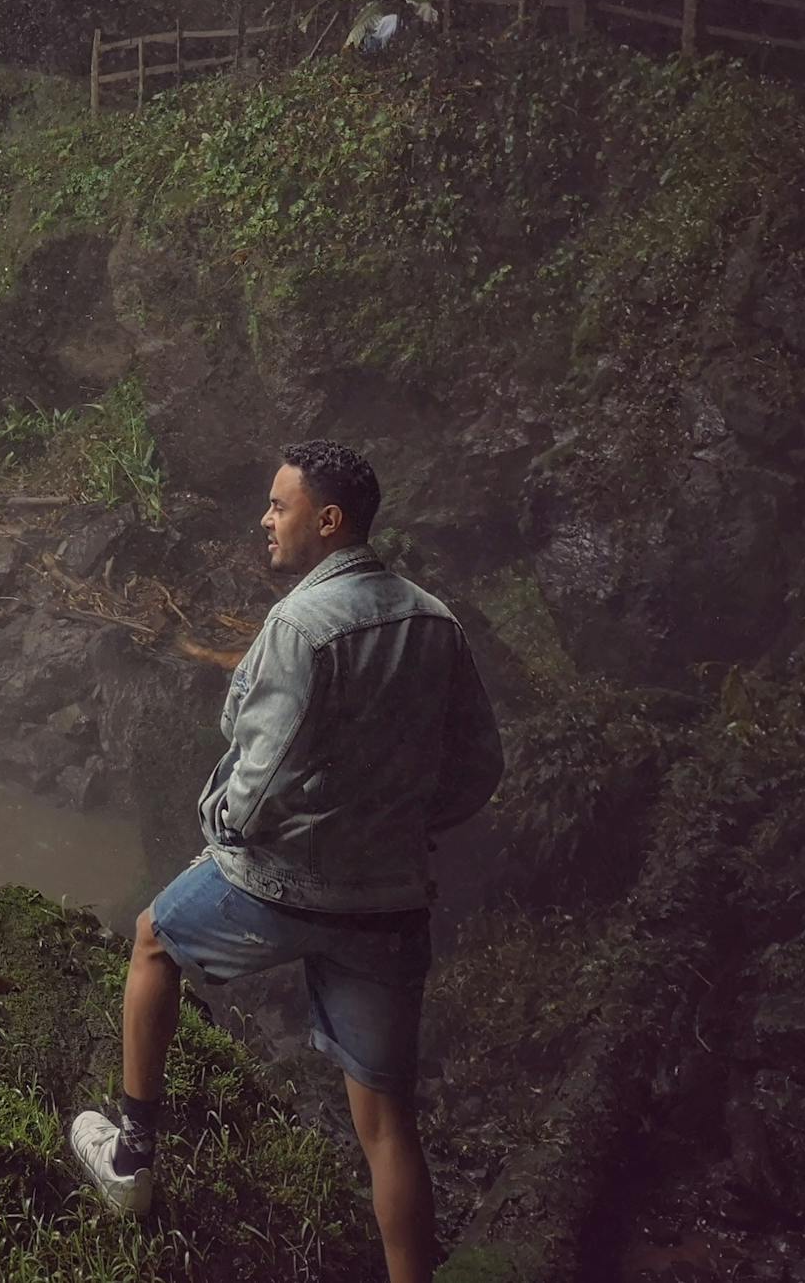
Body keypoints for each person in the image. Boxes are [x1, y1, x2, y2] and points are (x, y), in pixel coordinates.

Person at [68, 442, 504, 1283]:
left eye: (279, 506)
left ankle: (131, 1160)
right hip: (389, 900)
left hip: (282, 883)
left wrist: (220, 824)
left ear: (327, 520)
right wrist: (403, 826)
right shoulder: (434, 621)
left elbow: (257, 780)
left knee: (154, 938)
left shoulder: (299, 626)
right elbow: (479, 766)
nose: (265, 520)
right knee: (388, 1125)